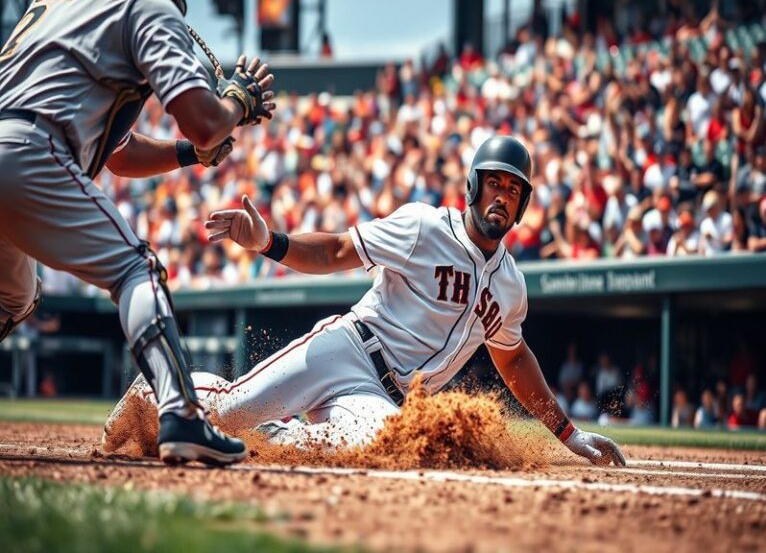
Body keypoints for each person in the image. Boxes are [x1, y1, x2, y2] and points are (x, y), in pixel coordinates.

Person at [105, 136, 626, 467]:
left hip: (383, 398)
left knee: (385, 442)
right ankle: (153, 393)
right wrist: (270, 242)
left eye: (513, 190)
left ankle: (273, 436)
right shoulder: (424, 227)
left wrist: (568, 433)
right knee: (226, 411)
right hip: (347, 349)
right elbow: (336, 250)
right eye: (494, 183)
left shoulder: (511, 286)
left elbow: (513, 359)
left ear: (523, 204)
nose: (502, 196)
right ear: (473, 186)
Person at [0, 0, 276, 465]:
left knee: (12, 296)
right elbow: (206, 122)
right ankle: (182, 416)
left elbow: (120, 153)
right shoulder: (143, 1)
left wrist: (189, 153)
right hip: (28, 152)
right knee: (136, 270)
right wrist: (237, 100)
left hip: (16, 140)